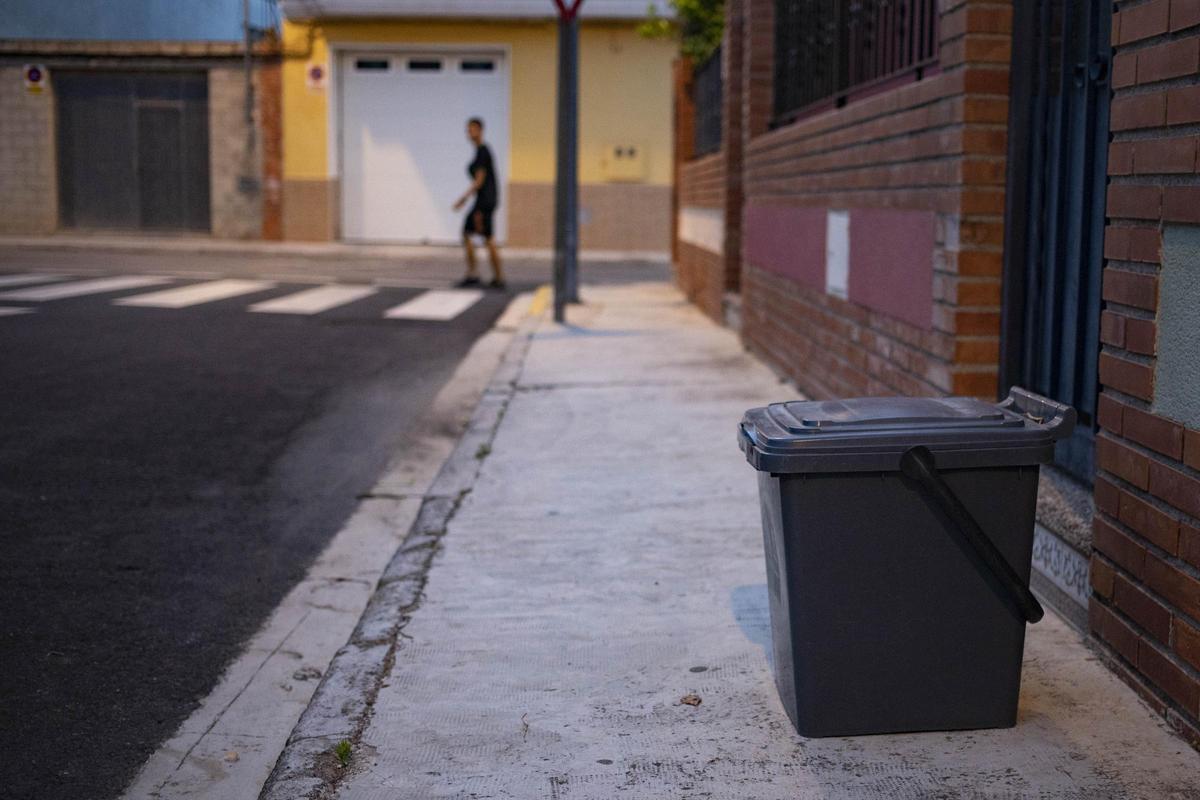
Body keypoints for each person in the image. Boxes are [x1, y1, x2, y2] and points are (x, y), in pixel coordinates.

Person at [453, 117, 505, 289]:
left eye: (472, 129)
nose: (469, 133)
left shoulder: (483, 151)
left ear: (480, 130)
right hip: (486, 200)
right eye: (468, 130)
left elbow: (479, 181)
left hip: (484, 201)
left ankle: (485, 275)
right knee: (483, 237)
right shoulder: (480, 151)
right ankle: (494, 276)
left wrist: (463, 198)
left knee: (476, 235)